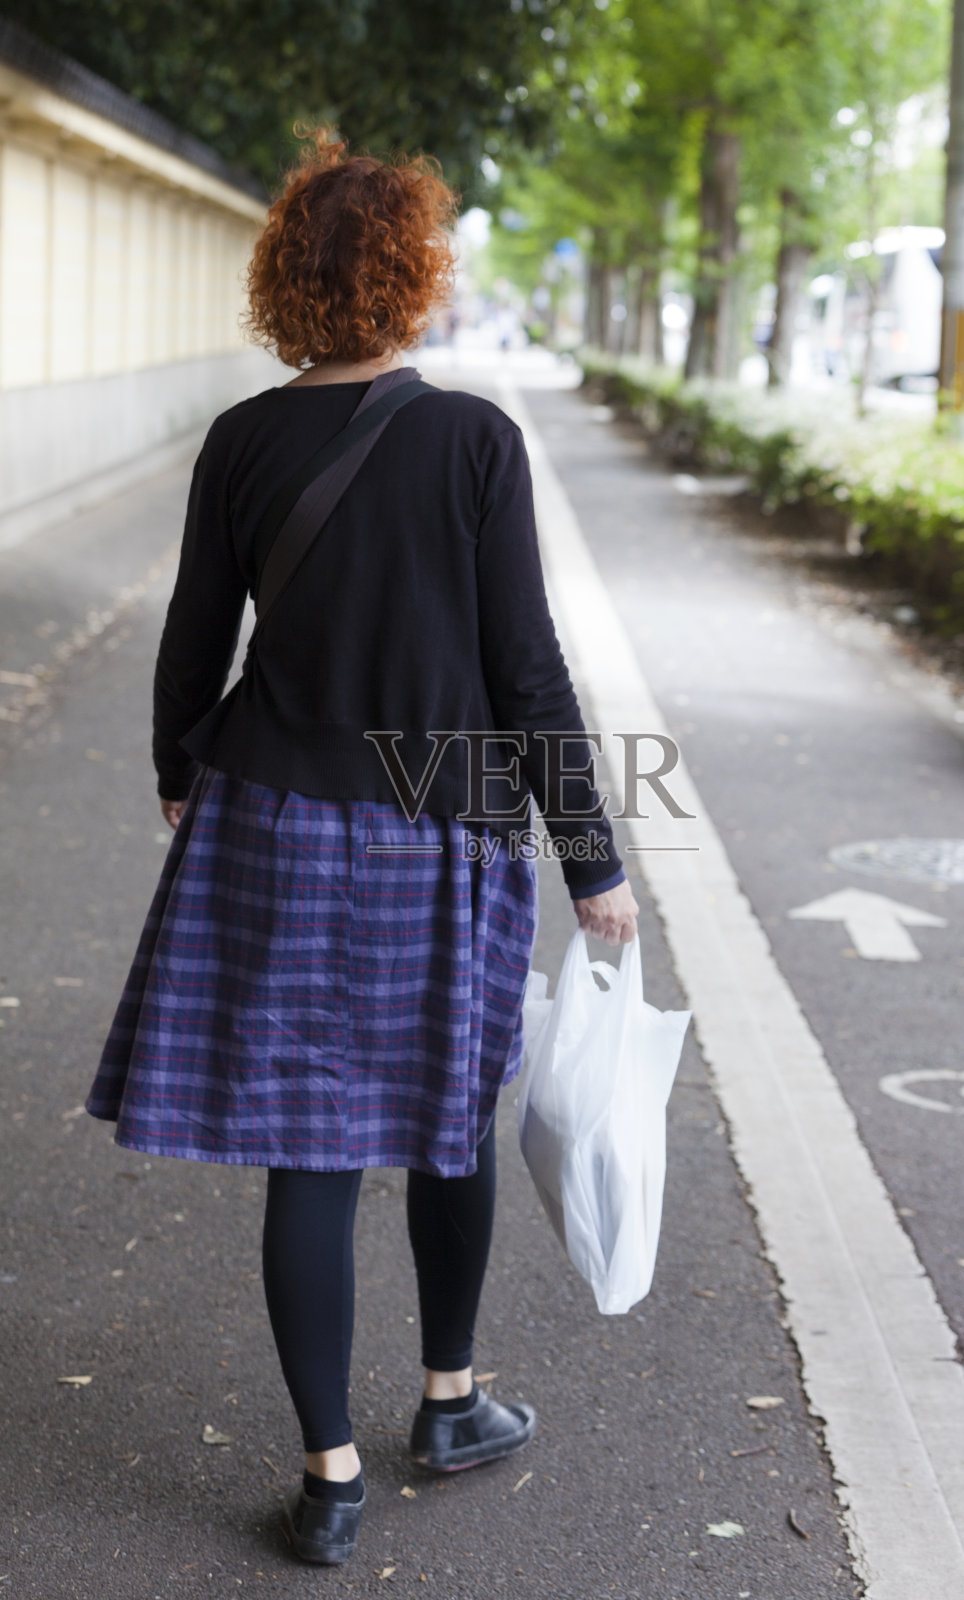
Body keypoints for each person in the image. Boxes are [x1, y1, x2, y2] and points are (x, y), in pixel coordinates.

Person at [85, 125, 639, 1570]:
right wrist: (592, 862)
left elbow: (194, 645)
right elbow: (527, 670)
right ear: (414, 278)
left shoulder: (243, 442)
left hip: (269, 818)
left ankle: (330, 1477)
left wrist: (174, 773)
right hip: (441, 825)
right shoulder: (473, 442)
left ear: (285, 287)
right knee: (449, 1112)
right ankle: (449, 1402)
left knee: (308, 1151)